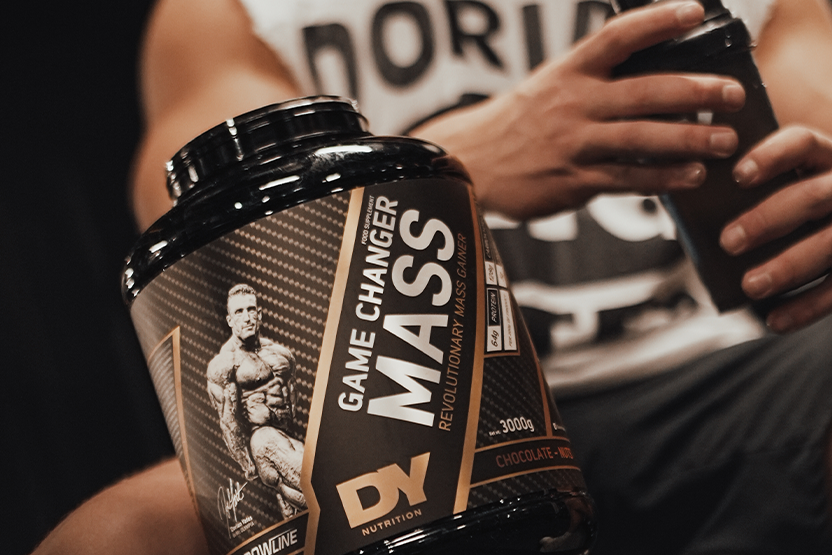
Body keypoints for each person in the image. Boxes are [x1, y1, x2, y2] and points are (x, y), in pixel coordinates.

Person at [32, 0, 832, 554]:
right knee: (113, 536)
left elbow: (816, 117)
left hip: (714, 379)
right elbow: (209, 248)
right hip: (397, 420)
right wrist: (457, 161)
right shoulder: (233, 14)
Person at [207, 284, 306, 517]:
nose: (247, 318)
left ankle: (287, 499)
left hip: (288, 437)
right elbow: (227, 421)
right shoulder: (225, 365)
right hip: (261, 439)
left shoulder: (281, 354)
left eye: (251, 310)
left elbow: (292, 397)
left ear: (259, 314)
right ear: (230, 320)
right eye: (239, 312)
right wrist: (248, 466)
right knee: (315, 483)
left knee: (308, 500)